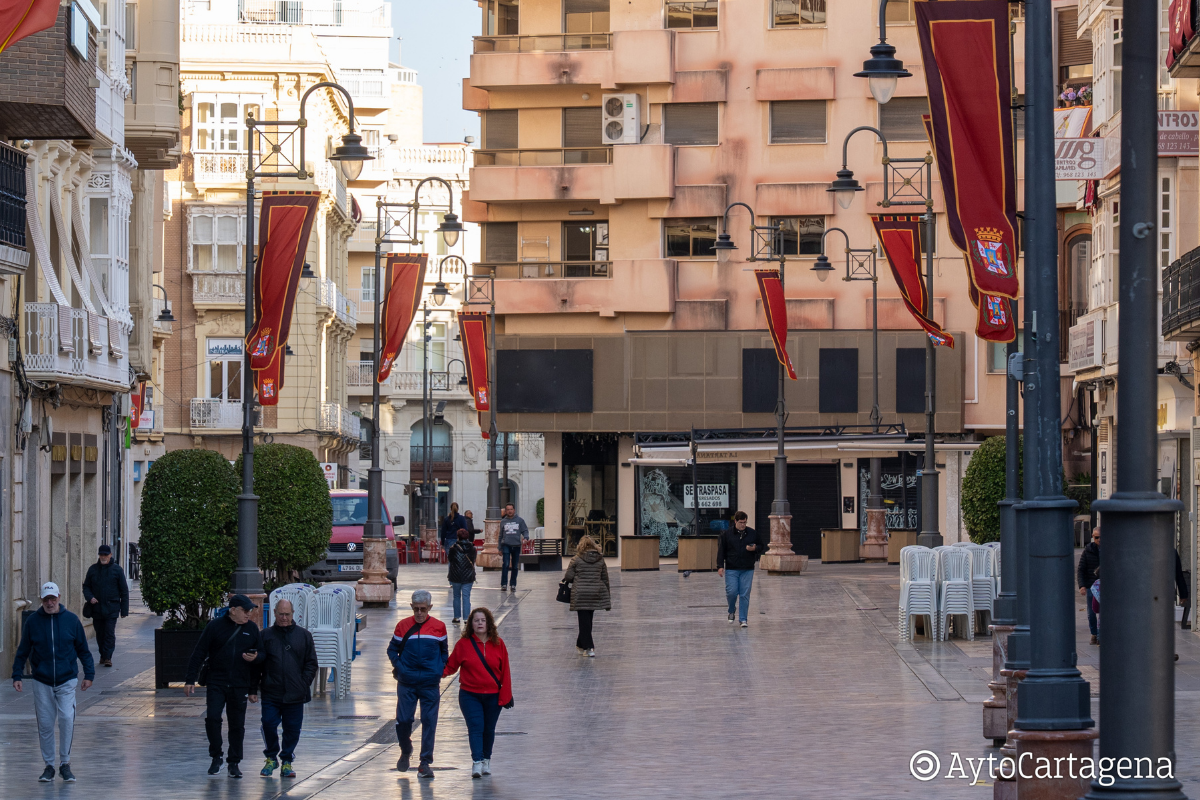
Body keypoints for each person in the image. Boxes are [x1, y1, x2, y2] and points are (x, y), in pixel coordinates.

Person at [11, 582, 94, 783]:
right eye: (46, 600)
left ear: (59, 598)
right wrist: (17, 675)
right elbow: (23, 650)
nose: (50, 603)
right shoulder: (33, 622)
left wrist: (89, 674)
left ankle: (65, 763)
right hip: (42, 680)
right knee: (46, 724)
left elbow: (83, 650)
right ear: (41, 600)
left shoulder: (72, 620)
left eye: (53, 599)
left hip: (67, 679)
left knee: (66, 718)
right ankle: (49, 766)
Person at [184, 595, 265, 779]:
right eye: (245, 610)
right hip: (217, 681)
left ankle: (234, 762)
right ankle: (216, 756)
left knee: (237, 724)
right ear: (233, 610)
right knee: (213, 718)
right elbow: (199, 652)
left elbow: (261, 657)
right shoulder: (215, 626)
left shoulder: (251, 629)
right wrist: (190, 680)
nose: (248, 614)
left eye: (250, 610)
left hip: (240, 683)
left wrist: (253, 686)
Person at [443, 607, 512, 779]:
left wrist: (506, 695)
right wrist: (431, 673)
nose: (480, 623)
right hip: (469, 694)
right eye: (476, 620)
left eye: (483, 620)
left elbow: (505, 671)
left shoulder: (499, 644)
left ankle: (486, 760)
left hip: (493, 695)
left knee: (488, 729)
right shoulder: (463, 644)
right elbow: (450, 666)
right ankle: (477, 762)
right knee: (475, 727)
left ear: (489, 623)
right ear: (471, 624)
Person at [387, 590, 448, 779]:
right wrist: (400, 667)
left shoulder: (439, 627)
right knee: (404, 720)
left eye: (423, 609)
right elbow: (392, 649)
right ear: (411, 607)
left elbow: (444, 652)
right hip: (407, 682)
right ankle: (405, 749)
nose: (419, 613)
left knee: (429, 721)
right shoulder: (402, 626)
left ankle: (425, 762)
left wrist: (439, 669)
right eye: (416, 609)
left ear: (430, 608)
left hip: (430, 682)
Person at [256, 599, 318, 779]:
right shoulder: (265, 636)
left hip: (295, 693)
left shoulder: (304, 636)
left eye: (287, 614)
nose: (284, 618)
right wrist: (254, 688)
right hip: (271, 691)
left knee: (292, 729)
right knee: (268, 723)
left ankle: (287, 760)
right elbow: (258, 665)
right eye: (281, 614)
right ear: (275, 613)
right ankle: (271, 757)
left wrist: (303, 683)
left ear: (293, 614)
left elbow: (311, 663)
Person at [82, 543, 129, 668]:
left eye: (105, 555)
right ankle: (103, 654)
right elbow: (86, 586)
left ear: (110, 555)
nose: (103, 557)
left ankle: (108, 657)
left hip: (111, 608)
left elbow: (124, 591)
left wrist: (124, 610)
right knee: (100, 634)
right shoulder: (93, 569)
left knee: (109, 633)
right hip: (97, 609)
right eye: (101, 555)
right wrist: (90, 597)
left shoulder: (117, 570)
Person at [717, 511, 767, 628]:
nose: (743, 525)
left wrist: (755, 548)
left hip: (747, 568)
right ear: (735, 521)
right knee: (732, 592)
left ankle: (743, 619)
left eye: (744, 522)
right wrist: (720, 566)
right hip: (732, 568)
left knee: (744, 594)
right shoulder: (727, 535)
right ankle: (731, 610)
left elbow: (761, 546)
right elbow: (721, 551)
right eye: (741, 522)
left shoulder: (752, 533)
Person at [563, 535, 610, 657]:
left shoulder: (576, 559)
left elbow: (568, 577)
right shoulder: (600, 559)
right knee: (588, 620)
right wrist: (607, 596)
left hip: (580, 594)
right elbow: (605, 578)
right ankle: (580, 644)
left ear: (580, 545)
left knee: (584, 621)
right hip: (595, 592)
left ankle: (588, 648)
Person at [448, 529, 478, 623]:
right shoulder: (472, 548)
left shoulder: (453, 548)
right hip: (468, 576)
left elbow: (450, 559)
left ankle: (456, 617)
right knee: (466, 597)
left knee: (456, 596)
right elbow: (473, 559)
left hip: (456, 575)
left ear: (458, 537)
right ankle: (466, 618)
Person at [1077, 526, 1100, 645]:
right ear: (1092, 537)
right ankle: (1094, 634)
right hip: (1092, 586)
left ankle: (1100, 635)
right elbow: (1081, 569)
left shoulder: (1110, 548)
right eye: (1097, 537)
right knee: (1092, 612)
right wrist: (1082, 585)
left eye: (1101, 537)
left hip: (1107, 586)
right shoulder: (1088, 550)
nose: (1099, 539)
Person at [499, 503, 529, 591]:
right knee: (506, 564)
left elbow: (525, 530)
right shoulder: (503, 521)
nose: (509, 511)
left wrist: (526, 537)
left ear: (514, 510)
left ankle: (513, 584)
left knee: (515, 566)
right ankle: (504, 584)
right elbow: (500, 535)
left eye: (511, 509)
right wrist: (499, 547)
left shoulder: (520, 520)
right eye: (508, 509)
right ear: (505, 511)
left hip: (516, 545)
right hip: (506, 545)